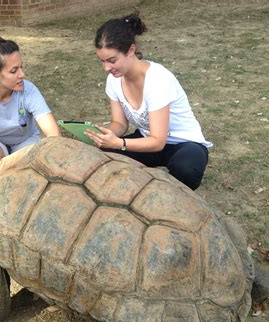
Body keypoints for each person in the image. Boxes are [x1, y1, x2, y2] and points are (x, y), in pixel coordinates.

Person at [85, 14, 212, 190]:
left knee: (186, 169)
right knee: (104, 154)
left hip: (183, 144)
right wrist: (103, 136)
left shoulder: (158, 79)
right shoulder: (114, 80)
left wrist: (119, 143)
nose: (106, 68)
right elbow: (120, 123)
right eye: (102, 61)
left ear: (130, 50)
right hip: (146, 141)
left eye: (112, 60)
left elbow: (158, 141)